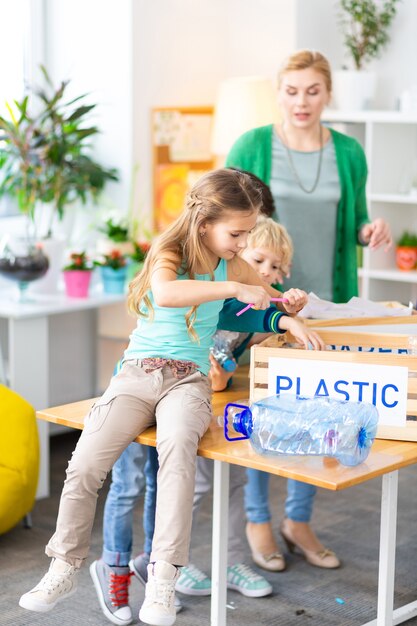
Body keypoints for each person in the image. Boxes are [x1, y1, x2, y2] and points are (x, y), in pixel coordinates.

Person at [18, 168, 308, 626]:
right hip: (137, 374)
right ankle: (64, 566)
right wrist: (236, 286)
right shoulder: (168, 250)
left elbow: (265, 299)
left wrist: (286, 309)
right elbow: (167, 292)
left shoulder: (231, 260)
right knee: (86, 464)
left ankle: (163, 577)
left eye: (248, 232)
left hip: (189, 380)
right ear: (204, 221)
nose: (242, 241)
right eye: (237, 232)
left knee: (179, 459)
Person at [225, 49, 392, 572]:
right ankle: (257, 520)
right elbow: (224, 221)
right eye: (292, 90)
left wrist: (369, 231)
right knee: (262, 406)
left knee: (313, 410)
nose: (302, 101)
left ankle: (297, 520)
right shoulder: (252, 145)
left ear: (328, 94)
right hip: (262, 303)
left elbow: (356, 220)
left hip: (322, 302)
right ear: (279, 92)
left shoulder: (349, 151)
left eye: (313, 91)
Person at [175, 215, 326, 596]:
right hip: (187, 402)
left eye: (275, 267)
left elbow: (268, 332)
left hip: (218, 405)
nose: (266, 272)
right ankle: (174, 565)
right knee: (191, 488)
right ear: (238, 256)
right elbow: (214, 377)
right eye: (258, 262)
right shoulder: (218, 302)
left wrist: (290, 312)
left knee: (235, 482)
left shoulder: (252, 305)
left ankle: (232, 563)